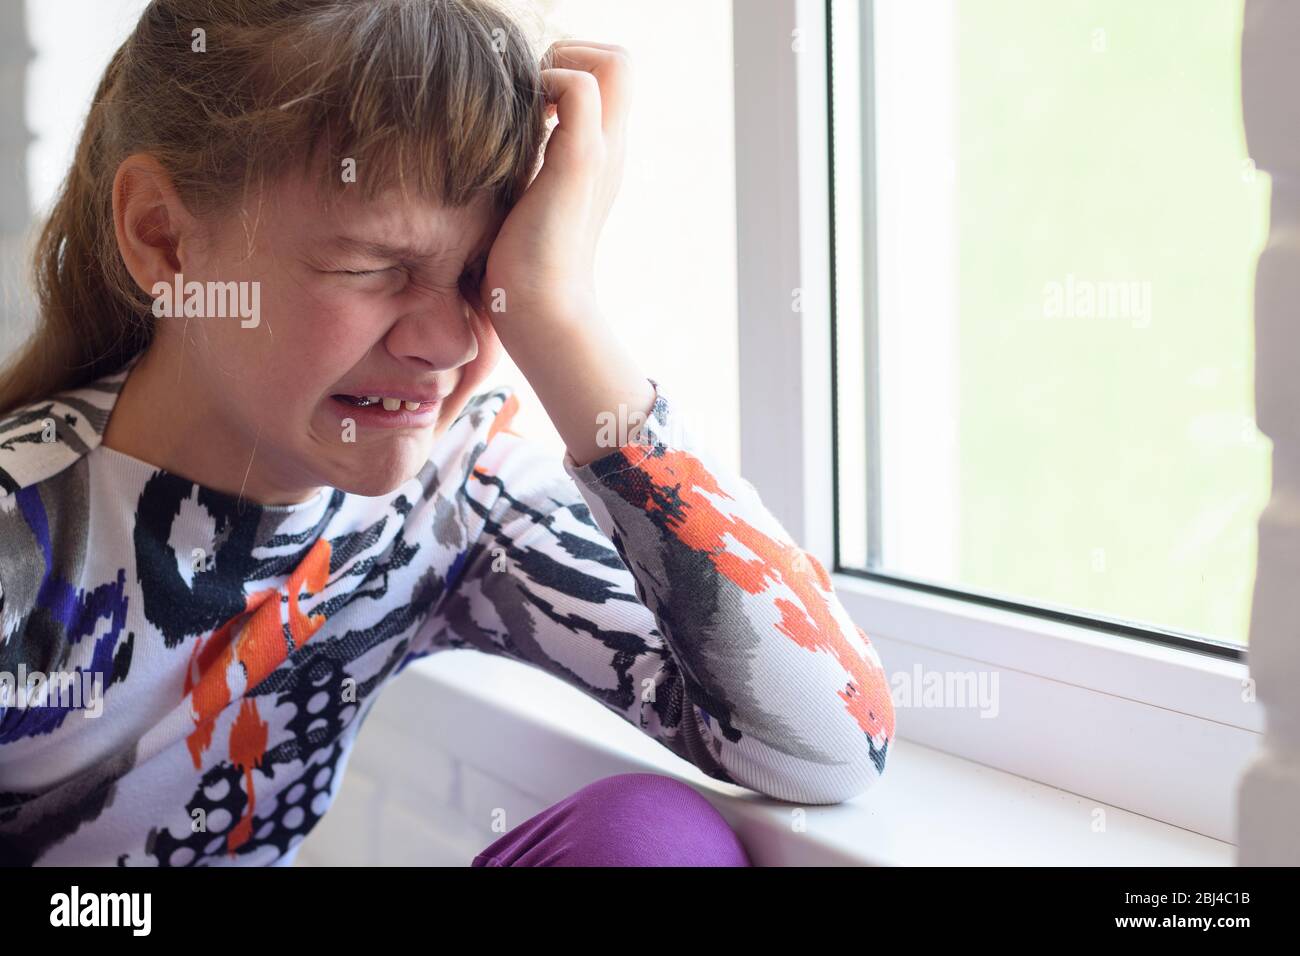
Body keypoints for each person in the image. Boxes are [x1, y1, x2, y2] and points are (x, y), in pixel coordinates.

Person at [0, 0, 894, 867]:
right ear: (164, 239)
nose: (449, 340)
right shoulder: (26, 530)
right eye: (372, 266)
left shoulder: (451, 497)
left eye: (483, 273)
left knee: (650, 842)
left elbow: (831, 743)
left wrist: (557, 312)